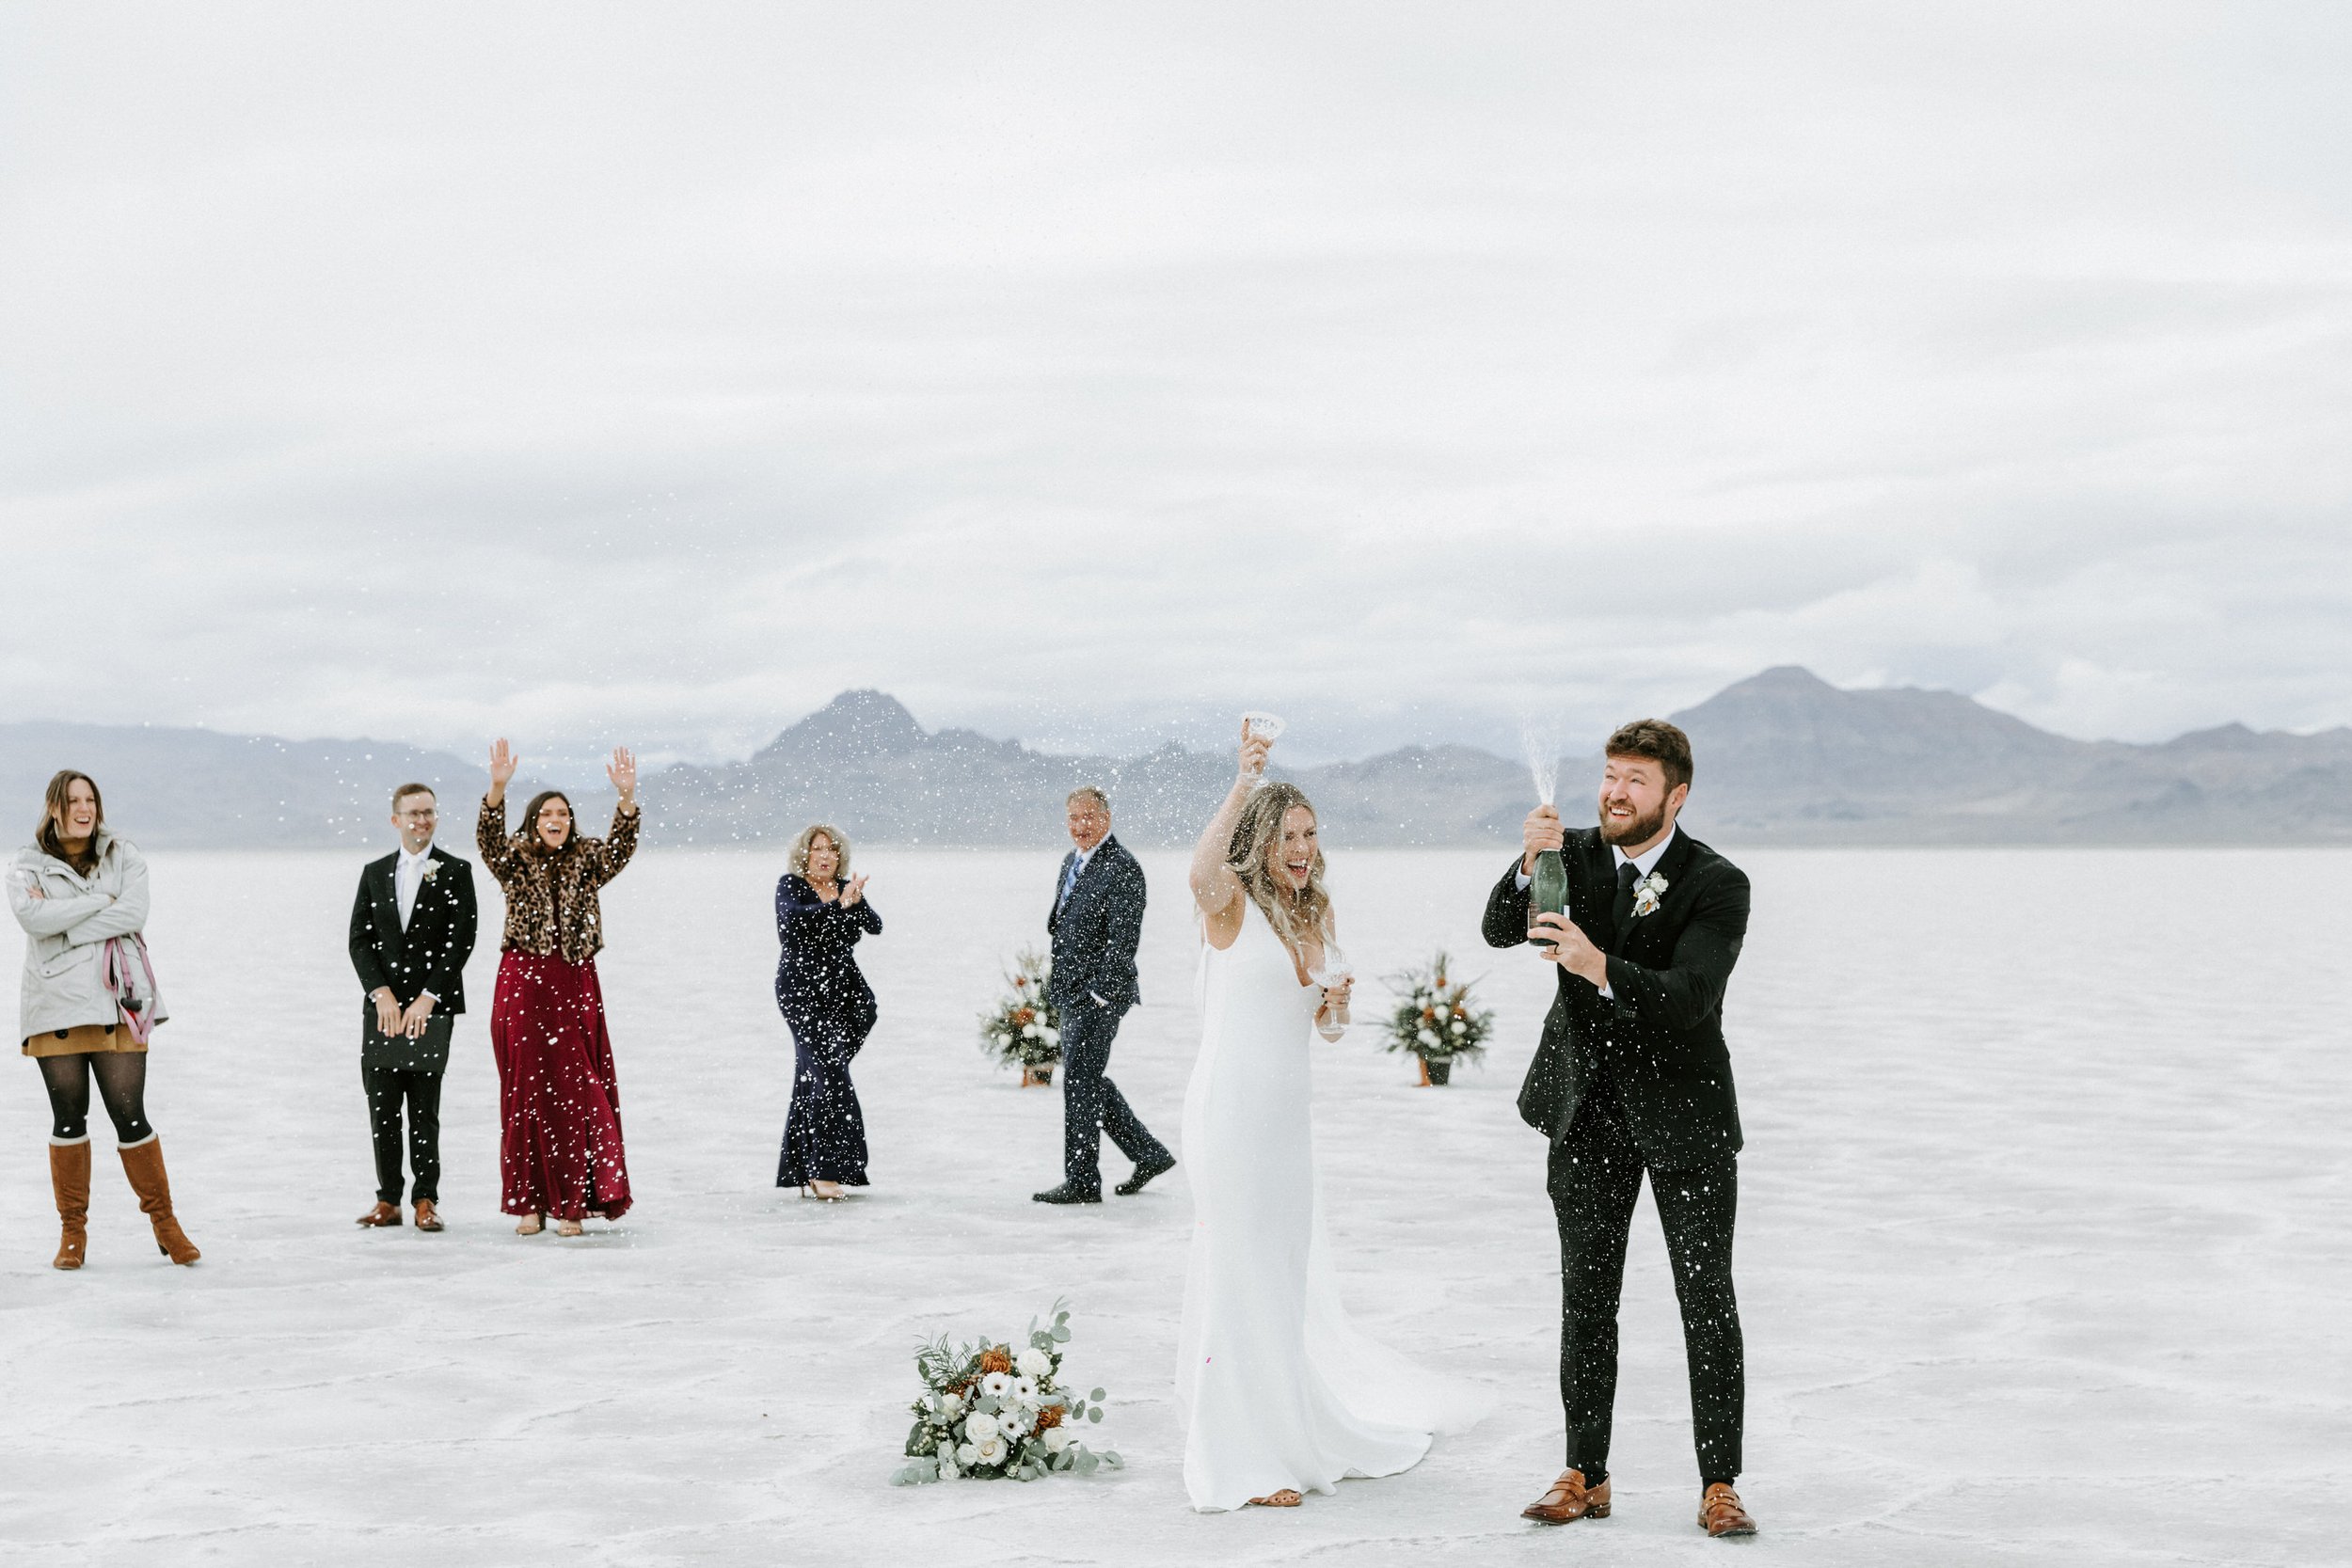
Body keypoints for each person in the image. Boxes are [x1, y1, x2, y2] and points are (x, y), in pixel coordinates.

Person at [1175, 724, 1484, 1511]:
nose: (1303, 847)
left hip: (1285, 1123)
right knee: (1238, 1271)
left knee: (1278, 1276)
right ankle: (1237, 1456)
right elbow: (1196, 870)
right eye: (1287, 835)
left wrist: (1338, 1006)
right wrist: (1244, 779)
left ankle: (1283, 1431)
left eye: (1311, 833)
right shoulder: (1232, 904)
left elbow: (1327, 1030)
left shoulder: (1316, 912)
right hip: (1228, 1112)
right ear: (1260, 839)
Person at [1481, 719, 1757, 1538]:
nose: (1614, 792)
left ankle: (1719, 1481)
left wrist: (1600, 965)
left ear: (1676, 795)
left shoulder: (1719, 883)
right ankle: (1585, 1471)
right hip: (1587, 1112)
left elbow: (1690, 996)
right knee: (1587, 1297)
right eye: (1609, 775)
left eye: (1635, 780)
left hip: (1687, 1119)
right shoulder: (1570, 854)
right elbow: (1500, 927)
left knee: (1706, 1300)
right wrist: (1526, 863)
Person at [8, 769, 199, 1269]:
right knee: (69, 1117)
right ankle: (73, 1233)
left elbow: (133, 913)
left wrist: (69, 924)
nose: (83, 809)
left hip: (120, 1001)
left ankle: (166, 1224)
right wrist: (97, 904)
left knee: (130, 1114)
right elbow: (34, 920)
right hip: (55, 1002)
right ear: (54, 808)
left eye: (90, 799)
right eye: (72, 801)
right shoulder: (26, 866)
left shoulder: (123, 854)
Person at [477, 738, 640, 1238]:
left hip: (573, 980)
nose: (557, 819)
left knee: (577, 1089)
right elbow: (487, 842)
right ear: (532, 821)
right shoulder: (514, 858)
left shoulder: (587, 860)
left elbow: (621, 849)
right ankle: (528, 1203)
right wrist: (497, 788)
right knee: (527, 1091)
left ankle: (572, 1202)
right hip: (524, 982)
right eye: (548, 812)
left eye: (564, 813)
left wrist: (626, 800)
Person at [347, 783, 479, 1232]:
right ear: (396, 820)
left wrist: (428, 997)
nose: (422, 820)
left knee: (424, 1109)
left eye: (429, 812)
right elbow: (359, 941)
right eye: (413, 813)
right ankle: (388, 1201)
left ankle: (425, 1199)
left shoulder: (456, 871)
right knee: (382, 1107)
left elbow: (461, 940)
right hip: (382, 1012)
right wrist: (380, 993)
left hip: (432, 1008)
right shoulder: (374, 873)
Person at [1033, 785, 1173, 1205]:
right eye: (1073, 818)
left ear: (1107, 818)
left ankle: (1082, 1182)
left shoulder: (1123, 867)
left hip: (1100, 996)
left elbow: (1123, 940)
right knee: (1085, 1079)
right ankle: (1148, 1153)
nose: (1081, 826)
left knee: (1079, 1079)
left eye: (1089, 817)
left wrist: (1098, 994)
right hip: (1070, 991)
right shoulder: (1069, 862)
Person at [773, 824, 882, 1200]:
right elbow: (796, 921)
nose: (825, 855)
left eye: (832, 849)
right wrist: (838, 905)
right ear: (805, 853)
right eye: (818, 848)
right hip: (802, 992)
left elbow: (876, 927)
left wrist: (855, 899)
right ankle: (823, 1170)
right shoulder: (791, 886)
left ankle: (805, 1167)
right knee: (828, 1073)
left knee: (818, 1074)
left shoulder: (843, 887)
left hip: (846, 997)